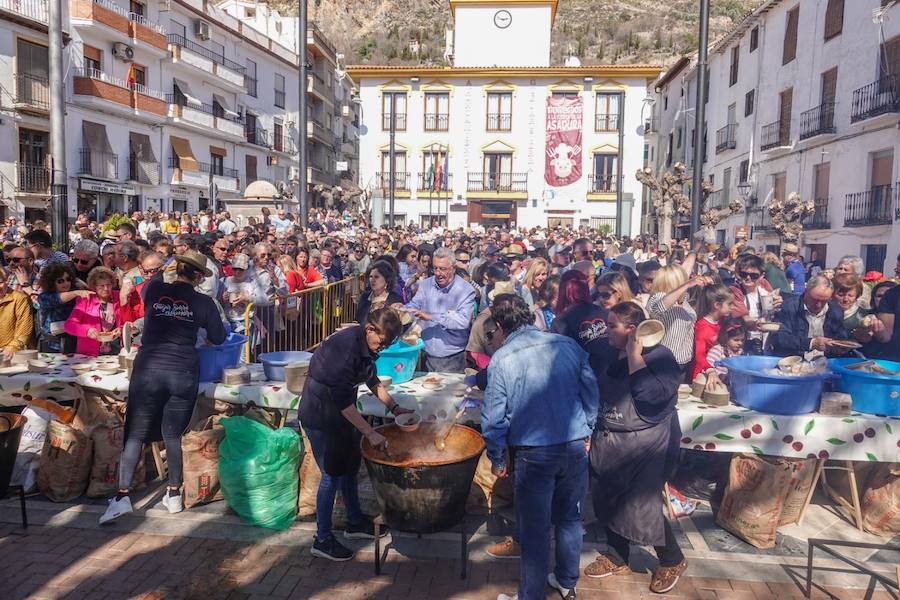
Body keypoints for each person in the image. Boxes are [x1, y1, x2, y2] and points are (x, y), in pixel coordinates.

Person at [100, 249, 227, 524]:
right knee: (173, 434)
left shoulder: (155, 290)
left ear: (176, 269)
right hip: (182, 369)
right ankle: (173, 494)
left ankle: (121, 497)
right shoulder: (204, 302)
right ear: (197, 277)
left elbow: (147, 275)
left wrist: (167, 264)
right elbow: (219, 337)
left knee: (134, 434)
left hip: (148, 368)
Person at [485, 294, 598, 600]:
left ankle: (532, 595)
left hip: (536, 454)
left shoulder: (503, 359)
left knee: (536, 530)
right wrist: (588, 428)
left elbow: (495, 418)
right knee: (569, 518)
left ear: (499, 325)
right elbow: (590, 389)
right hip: (572, 446)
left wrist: (497, 457)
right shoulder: (567, 345)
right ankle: (566, 580)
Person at [583, 302, 687, 594]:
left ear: (632, 330)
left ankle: (672, 559)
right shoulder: (606, 352)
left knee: (641, 505)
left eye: (612, 325)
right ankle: (617, 556)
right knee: (608, 496)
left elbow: (650, 394)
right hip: (611, 437)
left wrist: (633, 355)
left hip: (648, 443)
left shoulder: (662, 357)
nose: (606, 331)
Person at [299, 308, 411, 561]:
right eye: (381, 342)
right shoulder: (345, 349)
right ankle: (323, 539)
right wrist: (370, 432)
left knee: (349, 466)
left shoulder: (367, 347)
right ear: (370, 328)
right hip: (320, 415)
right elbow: (342, 402)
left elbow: (372, 380)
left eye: (387, 344)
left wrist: (394, 407)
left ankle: (354, 521)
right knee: (331, 474)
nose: (382, 348)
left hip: (342, 415)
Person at [404, 247, 476, 373]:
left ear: (453, 268)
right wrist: (403, 309)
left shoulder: (465, 290)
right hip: (426, 355)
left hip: (453, 358)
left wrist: (431, 316)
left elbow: (463, 321)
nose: (438, 273)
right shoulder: (426, 284)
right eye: (435, 268)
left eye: (442, 269)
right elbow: (414, 306)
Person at [552, 270, 618, 384]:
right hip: (613, 375)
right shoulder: (604, 312)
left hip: (587, 383)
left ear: (563, 291)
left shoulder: (560, 322)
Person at [647, 265, 710, 378]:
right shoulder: (658, 297)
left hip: (684, 362)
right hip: (664, 363)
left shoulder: (683, 301)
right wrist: (687, 284)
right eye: (683, 279)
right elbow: (658, 309)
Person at [768, 275, 851, 357]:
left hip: (826, 362)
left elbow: (841, 337)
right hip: (795, 360)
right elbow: (780, 338)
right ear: (806, 291)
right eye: (814, 300)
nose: (818, 305)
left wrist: (841, 346)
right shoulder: (788, 307)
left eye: (824, 301)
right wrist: (811, 343)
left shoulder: (835, 311)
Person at [728, 254, 782, 355]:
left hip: (765, 342)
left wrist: (778, 303)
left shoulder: (764, 285)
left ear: (761, 276)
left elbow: (773, 300)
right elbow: (745, 318)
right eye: (744, 274)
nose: (748, 278)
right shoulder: (735, 291)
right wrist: (757, 324)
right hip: (743, 344)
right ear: (738, 273)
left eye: (754, 276)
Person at [64, 267, 123, 357]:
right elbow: (69, 325)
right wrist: (87, 331)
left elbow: (127, 320)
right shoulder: (86, 300)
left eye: (109, 285)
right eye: (101, 286)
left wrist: (121, 329)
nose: (106, 288)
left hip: (116, 350)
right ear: (94, 286)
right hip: (90, 354)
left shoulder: (118, 297)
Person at [37, 263, 90, 352]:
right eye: (60, 281)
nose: (66, 283)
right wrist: (76, 292)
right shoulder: (44, 297)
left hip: (73, 342)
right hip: (52, 345)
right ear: (51, 282)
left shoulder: (74, 295)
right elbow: (57, 299)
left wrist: (82, 286)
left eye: (68, 279)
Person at [691, 284, 734, 380]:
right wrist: (710, 370)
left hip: (717, 369)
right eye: (730, 304)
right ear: (717, 305)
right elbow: (699, 355)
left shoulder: (722, 320)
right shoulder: (703, 327)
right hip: (703, 374)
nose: (733, 307)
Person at [0, 265, 34, 360]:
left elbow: (24, 331)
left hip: (13, 355)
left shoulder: (20, 299)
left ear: (7, 281)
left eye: (0, 282)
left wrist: (11, 348)